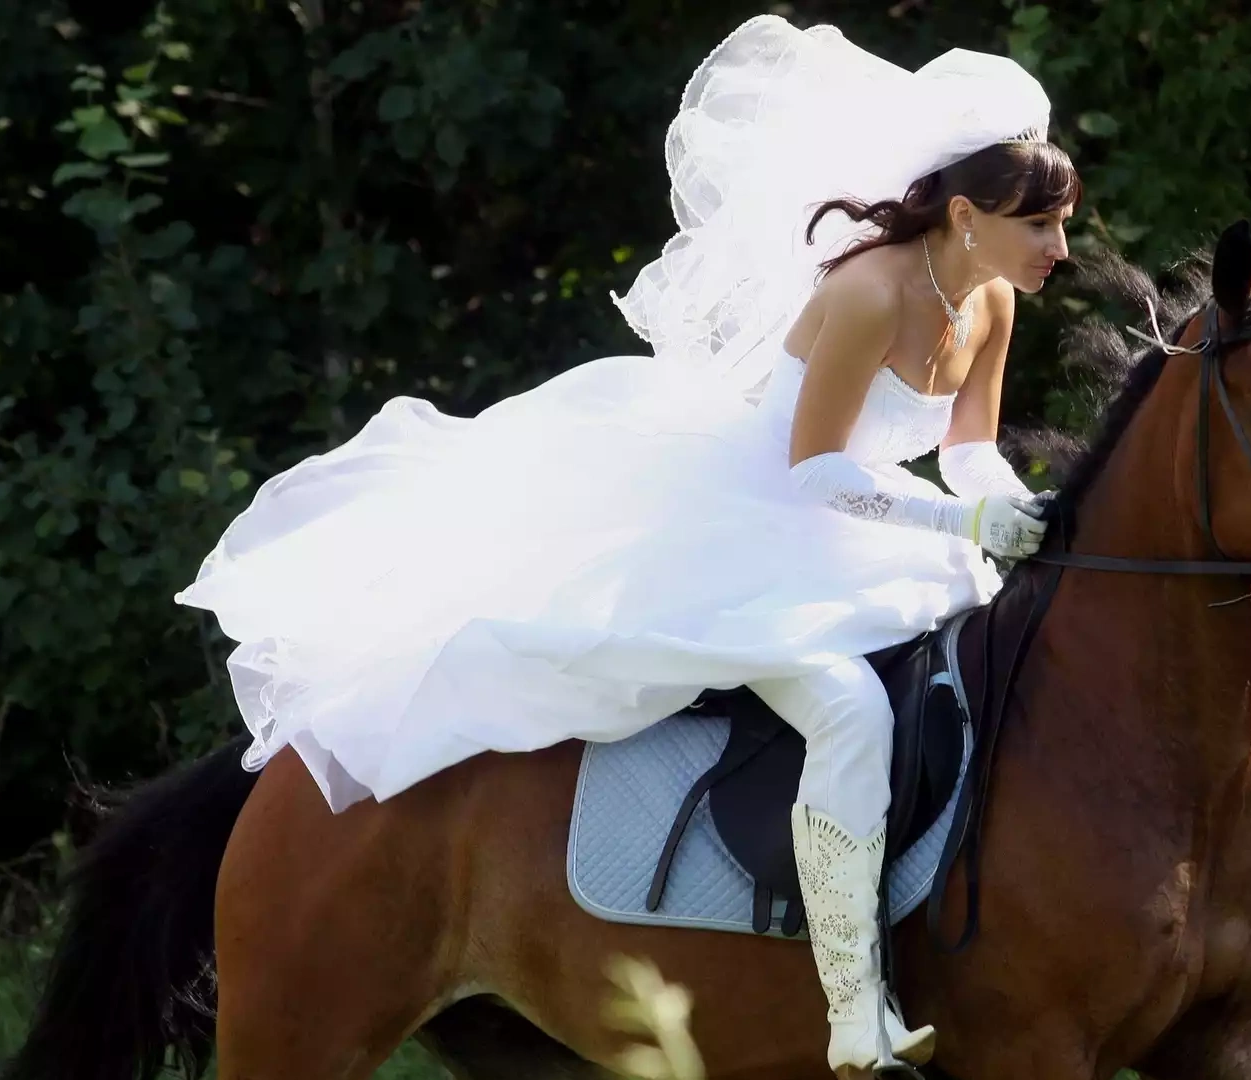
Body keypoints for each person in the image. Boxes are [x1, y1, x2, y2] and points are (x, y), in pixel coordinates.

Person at [173, 14, 1077, 1075]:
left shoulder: (989, 302)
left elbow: (967, 450)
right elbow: (812, 470)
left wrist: (1015, 506)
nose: (1059, 249)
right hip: (758, 524)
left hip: (874, 533)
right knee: (847, 709)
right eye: (1040, 225)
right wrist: (958, 520)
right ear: (966, 215)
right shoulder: (870, 292)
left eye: (1060, 225)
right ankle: (853, 1010)